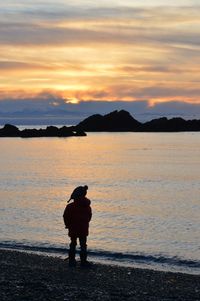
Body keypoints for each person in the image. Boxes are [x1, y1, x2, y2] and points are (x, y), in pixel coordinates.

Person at [63, 185, 92, 267]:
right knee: (83, 244)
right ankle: (83, 261)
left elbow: (65, 217)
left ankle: (72, 260)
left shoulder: (70, 207)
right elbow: (89, 217)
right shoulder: (87, 206)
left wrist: (67, 225)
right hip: (83, 228)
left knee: (73, 243)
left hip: (73, 228)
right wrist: (85, 223)